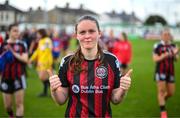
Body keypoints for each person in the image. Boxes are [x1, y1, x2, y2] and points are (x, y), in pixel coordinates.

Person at [48, 15, 132, 117]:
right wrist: (54, 90)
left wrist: (123, 89)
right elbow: (61, 100)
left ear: (99, 33)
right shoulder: (67, 62)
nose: (87, 36)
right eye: (82, 32)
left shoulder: (111, 60)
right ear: (77, 35)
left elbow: (115, 99)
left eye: (91, 31)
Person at [0, 23, 28, 118]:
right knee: (7, 106)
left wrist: (13, 52)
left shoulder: (22, 44)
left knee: (19, 104)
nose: (17, 32)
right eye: (14, 30)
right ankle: (11, 115)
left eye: (18, 30)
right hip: (5, 77)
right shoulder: (3, 45)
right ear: (9, 32)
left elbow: (25, 59)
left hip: (19, 76)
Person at [153, 29, 179, 118]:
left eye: (168, 34)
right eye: (164, 34)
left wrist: (175, 54)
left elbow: (176, 59)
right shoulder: (157, 45)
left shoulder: (173, 45)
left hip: (171, 72)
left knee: (171, 93)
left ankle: (162, 100)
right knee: (161, 91)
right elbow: (155, 59)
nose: (166, 36)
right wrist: (166, 55)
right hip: (160, 71)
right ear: (161, 36)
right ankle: (163, 112)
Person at [29, 29, 53, 97]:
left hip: (45, 62)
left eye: (38, 33)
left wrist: (42, 61)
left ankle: (54, 90)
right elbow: (37, 51)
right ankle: (46, 92)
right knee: (43, 78)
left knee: (42, 77)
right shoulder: (41, 41)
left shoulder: (47, 40)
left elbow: (47, 51)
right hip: (41, 62)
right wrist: (32, 59)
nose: (37, 35)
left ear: (41, 33)